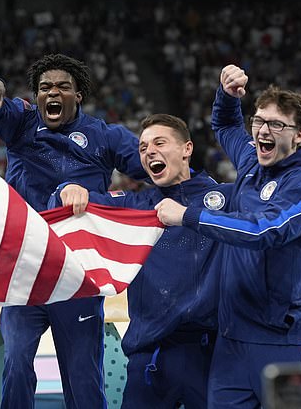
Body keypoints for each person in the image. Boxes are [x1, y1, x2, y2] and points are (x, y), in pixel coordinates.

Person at [0, 53, 146, 409]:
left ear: (78, 95)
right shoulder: (22, 122)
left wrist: (96, 198)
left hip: (78, 273)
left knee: (84, 377)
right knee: (16, 363)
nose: (53, 92)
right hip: (26, 269)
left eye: (63, 87)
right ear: (36, 96)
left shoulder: (104, 135)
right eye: (45, 87)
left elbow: (152, 170)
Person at [155, 64, 301, 408]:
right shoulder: (251, 164)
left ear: (300, 134)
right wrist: (227, 95)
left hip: (283, 342)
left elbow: (264, 230)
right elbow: (227, 125)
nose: (263, 130)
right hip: (230, 347)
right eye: (259, 121)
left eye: (276, 124)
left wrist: (189, 215)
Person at [51, 113, 232, 408]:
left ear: (187, 149)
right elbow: (82, 203)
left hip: (211, 354)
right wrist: (67, 189)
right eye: (143, 148)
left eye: (159, 143)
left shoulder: (224, 199)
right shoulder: (136, 206)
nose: (149, 152)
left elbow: (274, 205)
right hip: (150, 356)